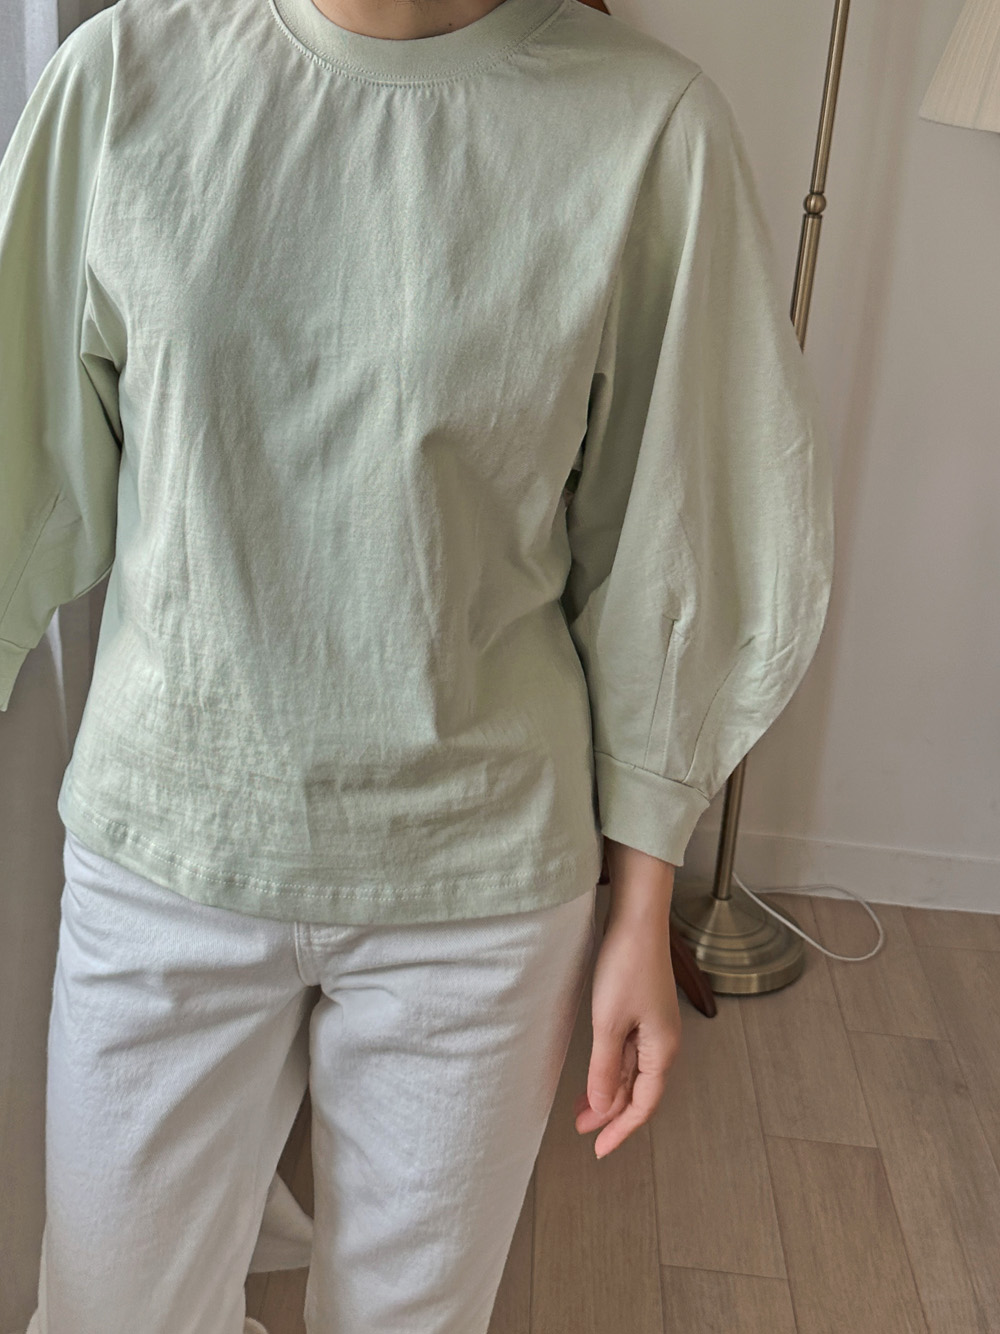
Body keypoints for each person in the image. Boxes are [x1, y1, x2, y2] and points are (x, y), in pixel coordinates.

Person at [0, 0, 834, 1328]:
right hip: (167, 848)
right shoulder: (123, 79)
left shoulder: (647, 129)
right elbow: (20, 451)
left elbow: (672, 526)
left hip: (479, 889)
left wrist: (643, 902)